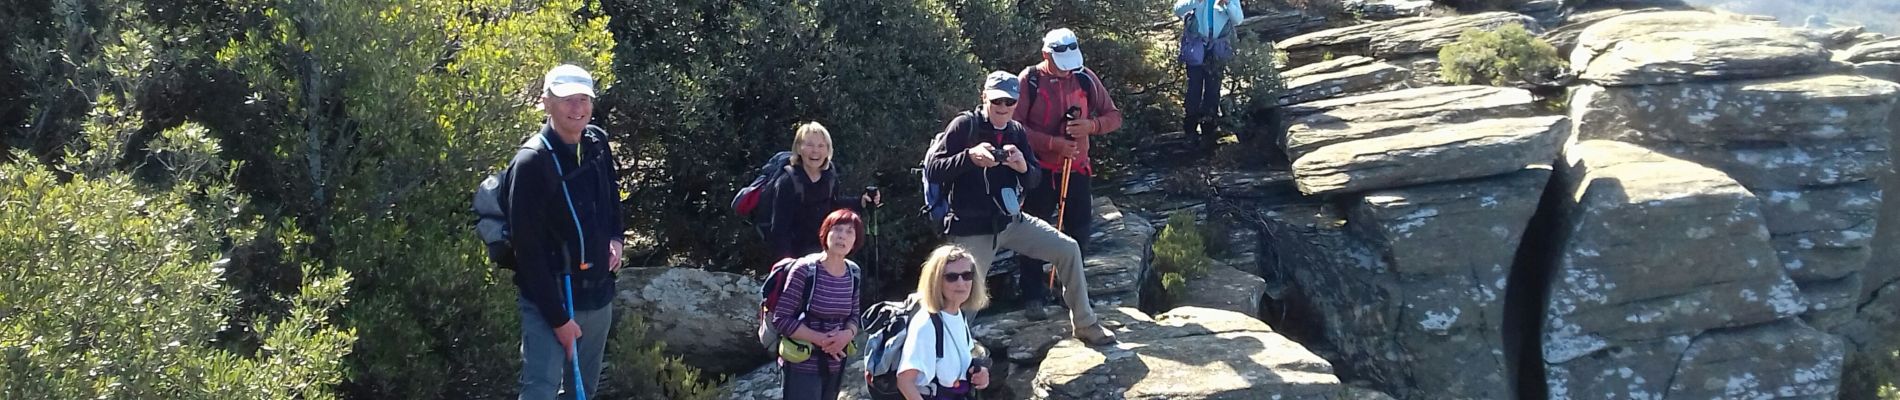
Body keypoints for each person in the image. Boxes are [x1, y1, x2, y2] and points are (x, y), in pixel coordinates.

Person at [922, 71, 1117, 346]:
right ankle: (950, 349)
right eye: (997, 101)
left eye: (1009, 102)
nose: (1003, 108)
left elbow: (1034, 178)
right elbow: (934, 170)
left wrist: (1023, 166)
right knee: (963, 293)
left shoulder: (1016, 131)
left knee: (1068, 249)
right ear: (984, 97)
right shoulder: (964, 126)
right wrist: (969, 157)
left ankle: (1085, 323)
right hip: (972, 228)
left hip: (1011, 221)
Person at [508, 64, 625, 400]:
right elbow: (526, 251)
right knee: (540, 392)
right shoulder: (531, 162)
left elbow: (611, 197)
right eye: (566, 99)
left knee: (581, 392)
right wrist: (559, 321)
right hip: (552, 299)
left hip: (597, 293)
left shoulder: (597, 142)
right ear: (546, 102)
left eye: (583, 99)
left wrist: (616, 238)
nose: (577, 108)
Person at [1012, 28, 1124, 321]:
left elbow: (1114, 116)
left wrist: (1092, 126)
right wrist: (1052, 144)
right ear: (1046, 55)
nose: (1067, 72)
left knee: (1079, 230)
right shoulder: (1030, 81)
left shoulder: (1085, 77)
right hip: (1039, 171)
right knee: (1033, 231)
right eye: (1062, 66)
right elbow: (1015, 127)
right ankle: (1033, 295)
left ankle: (1071, 292)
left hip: (1077, 168)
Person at [771, 209, 866, 400]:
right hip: (801, 364)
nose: (842, 236)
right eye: (837, 229)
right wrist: (822, 340)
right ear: (825, 233)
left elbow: (854, 316)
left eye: (850, 232)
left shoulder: (853, 272)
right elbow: (781, 319)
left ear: (856, 240)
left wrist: (846, 335)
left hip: (835, 362)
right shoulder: (804, 270)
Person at [769, 121, 880, 259]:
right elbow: (780, 230)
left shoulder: (829, 177)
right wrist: (785, 265)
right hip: (796, 257)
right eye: (809, 145)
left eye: (821, 146)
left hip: (823, 254)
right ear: (798, 148)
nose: (815, 151)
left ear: (828, 150)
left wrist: (861, 202)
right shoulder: (787, 182)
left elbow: (833, 204)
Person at [896, 245, 993, 400]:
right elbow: (905, 382)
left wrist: (981, 373)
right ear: (936, 281)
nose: (961, 283)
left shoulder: (958, 315)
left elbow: (959, 362)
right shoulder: (926, 324)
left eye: (967, 275)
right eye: (951, 277)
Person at [1173, 0, 1244, 150]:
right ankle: (1190, 131)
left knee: (1213, 89)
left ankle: (1208, 132)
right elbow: (1177, 9)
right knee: (1194, 88)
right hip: (1196, 46)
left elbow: (1238, 19)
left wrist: (1228, 4)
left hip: (1218, 47)